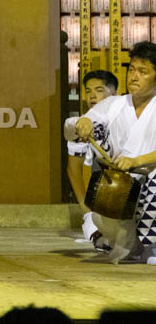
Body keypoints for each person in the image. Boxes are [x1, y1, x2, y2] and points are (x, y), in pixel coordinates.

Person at [66, 41, 156, 264]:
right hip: (121, 191)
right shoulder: (114, 105)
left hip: (151, 185)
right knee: (105, 218)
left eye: (143, 72)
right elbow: (86, 120)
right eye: (131, 70)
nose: (134, 76)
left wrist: (137, 160)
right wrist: (84, 122)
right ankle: (136, 246)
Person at [66, 70, 117, 247]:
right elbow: (74, 169)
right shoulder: (83, 124)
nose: (92, 96)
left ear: (114, 94)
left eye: (99, 90)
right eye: (88, 91)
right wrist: (87, 212)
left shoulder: (128, 113)